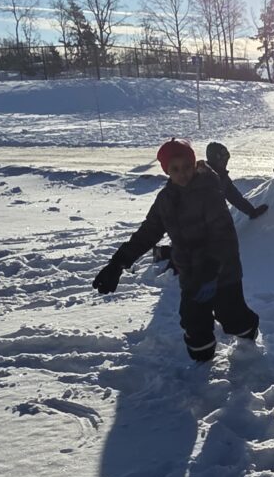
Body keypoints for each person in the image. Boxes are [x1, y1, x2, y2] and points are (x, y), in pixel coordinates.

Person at [92, 138, 260, 362]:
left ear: (194, 165)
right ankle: (202, 365)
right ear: (166, 171)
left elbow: (222, 232)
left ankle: (249, 339)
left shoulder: (209, 190)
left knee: (231, 315)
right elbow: (148, 232)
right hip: (191, 273)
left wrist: (212, 267)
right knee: (193, 321)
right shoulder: (166, 200)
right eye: (175, 169)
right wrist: (118, 263)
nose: (183, 174)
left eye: (187, 167)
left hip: (222, 271)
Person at [206, 142, 269, 220]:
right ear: (215, 160)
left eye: (226, 159)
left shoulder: (222, 177)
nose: (225, 163)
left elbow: (235, 197)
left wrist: (251, 211)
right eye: (223, 160)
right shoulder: (202, 177)